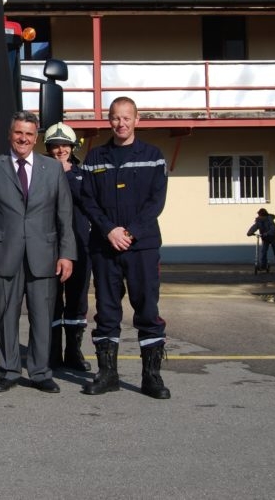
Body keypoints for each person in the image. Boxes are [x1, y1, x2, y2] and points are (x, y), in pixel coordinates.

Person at [0, 111, 76, 394]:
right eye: (19, 133)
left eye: (29, 134)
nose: (23, 139)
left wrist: (67, 254)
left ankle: (40, 372)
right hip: (4, 254)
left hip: (44, 254)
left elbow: (64, 215)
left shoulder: (52, 169)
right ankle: (9, 370)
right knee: (5, 316)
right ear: (10, 134)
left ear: (36, 137)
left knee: (42, 317)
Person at [81, 96, 171, 399]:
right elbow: (88, 200)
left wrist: (130, 233)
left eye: (126, 118)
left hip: (142, 247)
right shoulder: (94, 158)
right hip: (105, 247)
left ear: (137, 120)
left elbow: (155, 203)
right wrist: (109, 231)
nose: (121, 123)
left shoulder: (154, 156)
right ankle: (108, 374)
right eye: (115, 118)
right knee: (106, 311)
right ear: (109, 120)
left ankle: (151, 377)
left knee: (147, 310)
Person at [43, 122, 92, 372]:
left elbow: (89, 201)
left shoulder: (83, 173)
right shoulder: (41, 172)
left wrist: (66, 174)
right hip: (49, 245)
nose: (60, 150)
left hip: (80, 246)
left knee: (77, 301)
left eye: (64, 145)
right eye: (54, 145)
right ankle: (52, 354)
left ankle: (73, 352)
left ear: (73, 147)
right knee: (52, 301)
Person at [246, 208, 275, 272]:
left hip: (273, 237)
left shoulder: (270, 220)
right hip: (265, 238)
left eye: (261, 215)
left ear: (265, 215)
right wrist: (249, 232)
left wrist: (267, 233)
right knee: (263, 252)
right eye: (259, 215)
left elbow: (273, 229)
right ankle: (263, 265)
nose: (260, 217)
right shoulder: (259, 221)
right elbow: (254, 226)